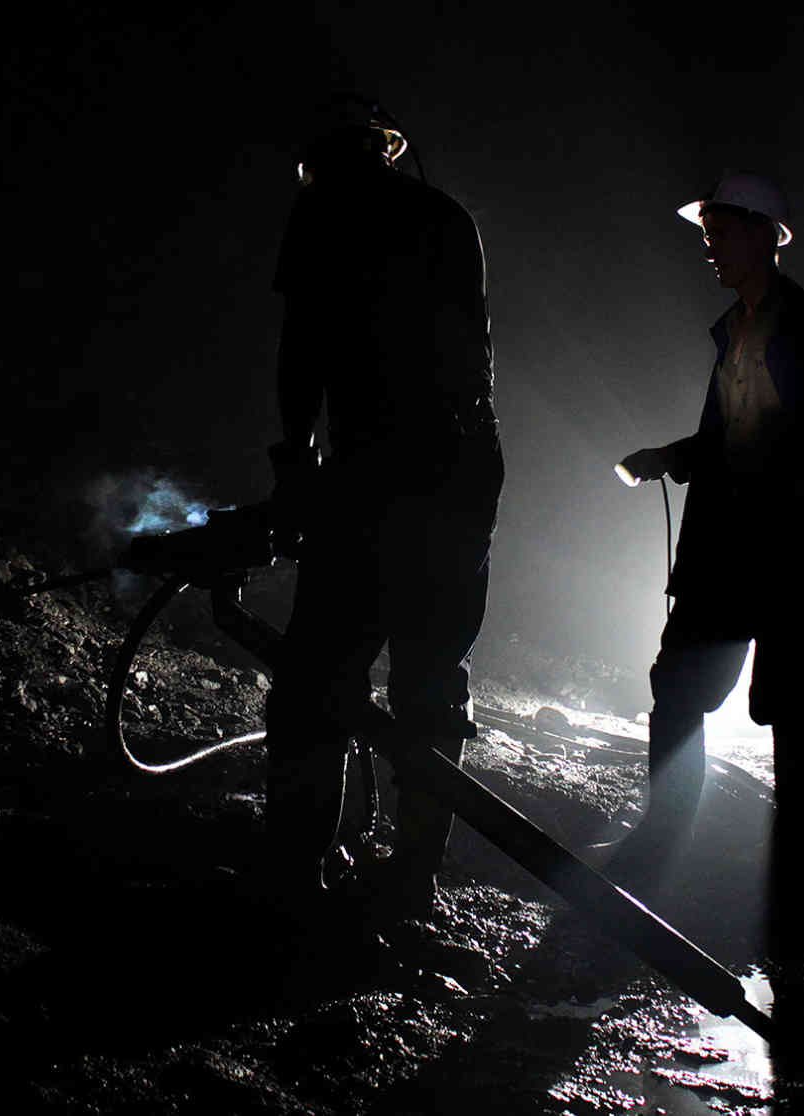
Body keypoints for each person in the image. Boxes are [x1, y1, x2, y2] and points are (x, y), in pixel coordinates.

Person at [611, 174, 804, 945]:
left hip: (790, 553)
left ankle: (793, 864)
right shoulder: (735, 331)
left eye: (718, 229)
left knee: (788, 701)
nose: (707, 244)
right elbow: (734, 440)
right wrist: (673, 455)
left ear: (762, 233)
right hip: (726, 548)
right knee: (679, 687)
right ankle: (665, 839)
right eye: (705, 230)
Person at [263, 97, 503, 924]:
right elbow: (475, 357)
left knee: (315, 676)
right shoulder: (446, 217)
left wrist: (297, 462)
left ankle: (296, 873)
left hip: (378, 476)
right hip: (463, 472)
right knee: (431, 681)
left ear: (323, 159)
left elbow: (304, 353)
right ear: (385, 149)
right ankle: (412, 880)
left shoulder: (322, 212)